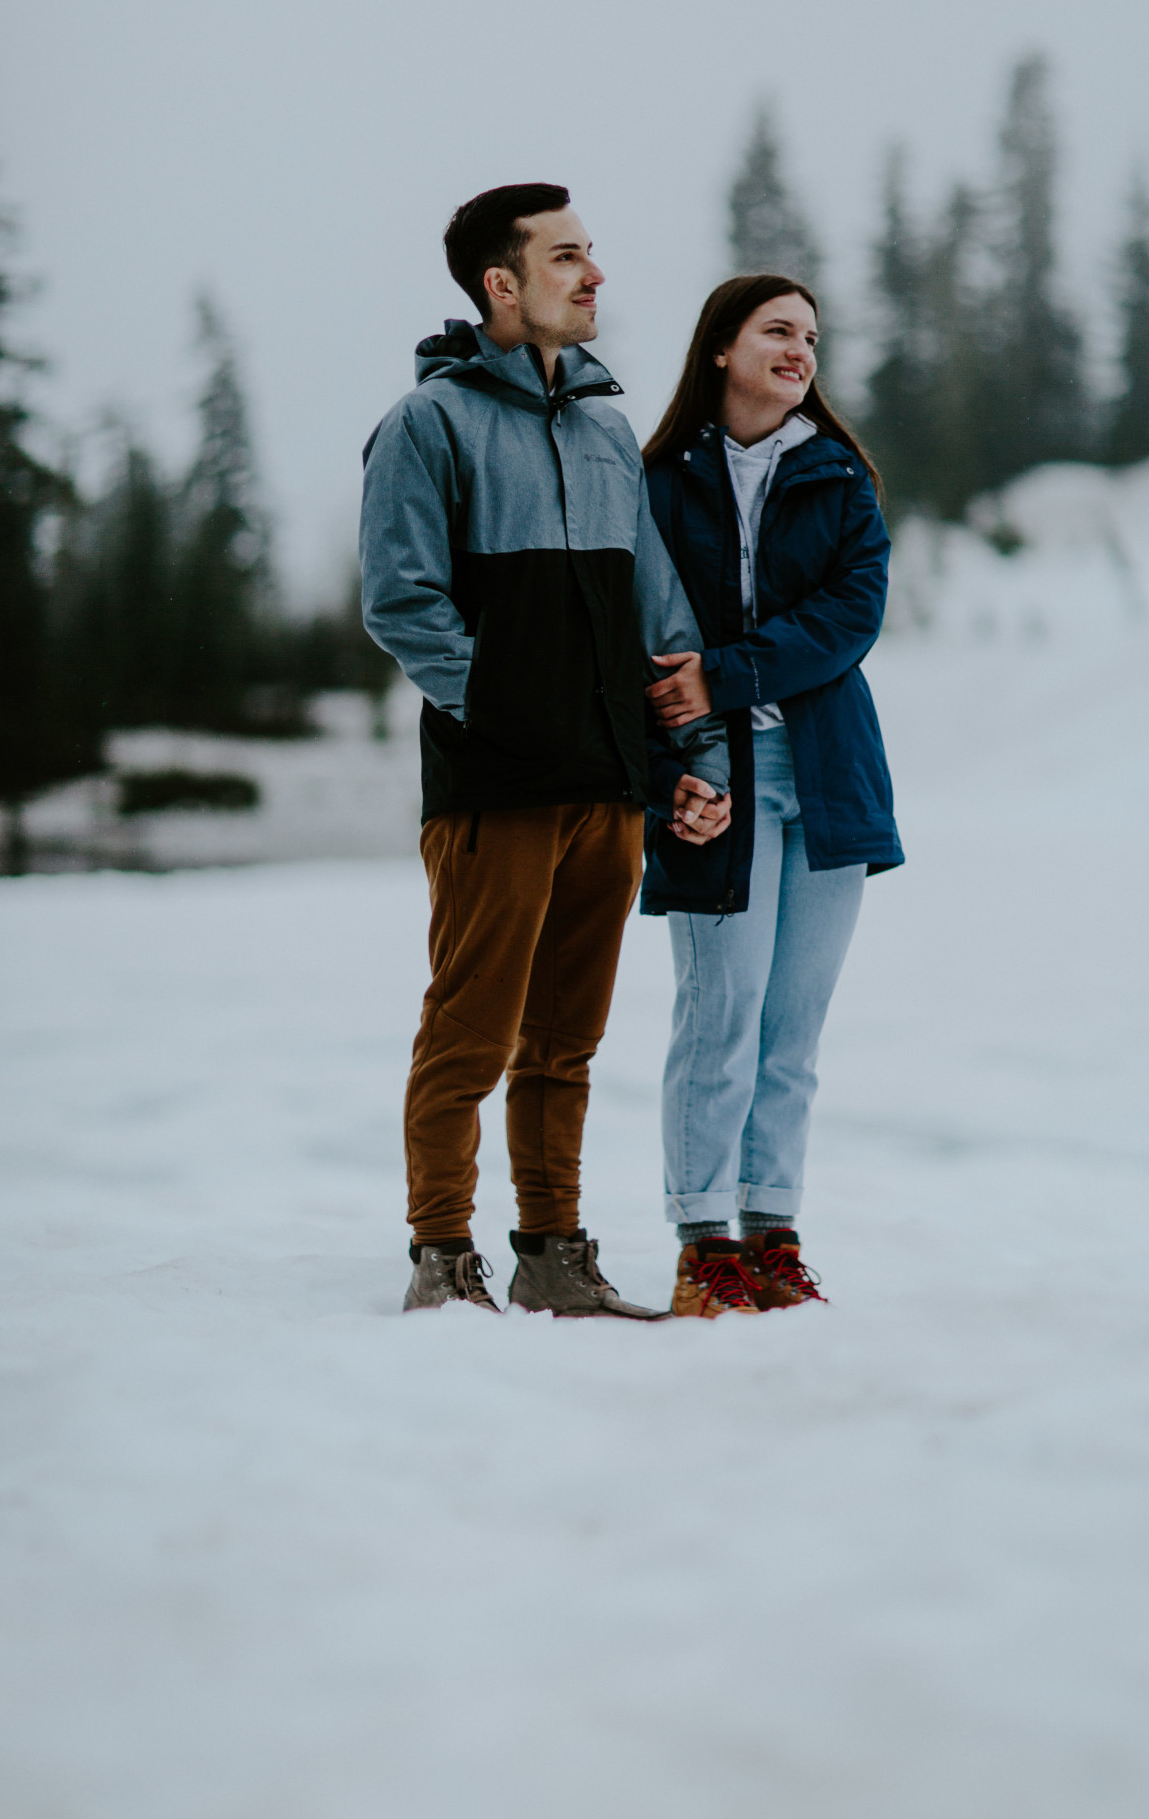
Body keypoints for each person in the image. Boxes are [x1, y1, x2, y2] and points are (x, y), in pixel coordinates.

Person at [360, 183, 730, 1318]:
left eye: (592, 254)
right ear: (500, 286)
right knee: (469, 1030)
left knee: (565, 1040)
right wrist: (508, 712)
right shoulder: (430, 424)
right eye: (567, 257)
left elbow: (657, 619)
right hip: (496, 786)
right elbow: (403, 603)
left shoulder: (608, 430)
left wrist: (694, 757)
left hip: (609, 784)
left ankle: (553, 1252)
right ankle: (441, 1255)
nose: (595, 275)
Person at [640, 274, 903, 1318]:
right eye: (776, 331)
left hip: (828, 781)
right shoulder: (657, 482)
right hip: (713, 782)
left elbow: (852, 615)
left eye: (810, 336)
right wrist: (668, 782)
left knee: (791, 1026)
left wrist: (726, 672)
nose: (799, 350)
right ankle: (704, 1244)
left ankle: (770, 1232)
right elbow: (633, 648)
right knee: (722, 1013)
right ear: (720, 348)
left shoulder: (839, 477)